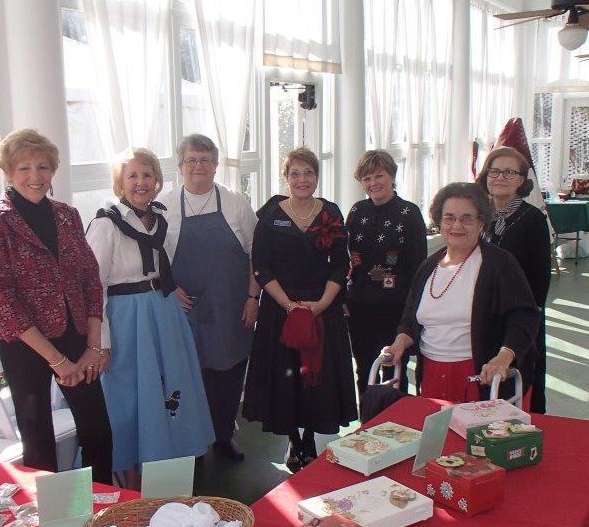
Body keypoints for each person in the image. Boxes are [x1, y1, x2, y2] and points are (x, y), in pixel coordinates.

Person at [0, 129, 113, 483]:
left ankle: (108, 512)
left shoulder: (67, 215)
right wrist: (57, 361)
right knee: (39, 446)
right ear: (8, 171)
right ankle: (48, 521)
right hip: (26, 346)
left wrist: (94, 347)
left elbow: (89, 279)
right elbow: (1, 302)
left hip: (76, 338)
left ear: (53, 171)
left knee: (98, 433)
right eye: (24, 168)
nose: (35, 177)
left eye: (44, 167)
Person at [86, 148, 214, 482]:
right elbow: (94, 285)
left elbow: (162, 266)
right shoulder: (106, 223)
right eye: (132, 176)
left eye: (147, 175)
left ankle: (164, 476)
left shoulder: (160, 219)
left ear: (156, 180)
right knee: (128, 396)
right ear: (120, 182)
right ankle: (128, 480)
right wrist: (102, 341)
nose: (141, 183)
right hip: (127, 319)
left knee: (168, 389)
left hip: (162, 312)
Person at [242, 147, 357, 470]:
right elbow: (262, 266)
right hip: (281, 310)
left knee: (316, 378)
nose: (302, 179)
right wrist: (289, 305)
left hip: (323, 309)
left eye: (308, 173)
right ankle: (293, 439)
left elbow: (341, 264)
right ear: (286, 177)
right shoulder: (270, 215)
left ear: (317, 177)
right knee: (287, 377)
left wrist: (321, 304)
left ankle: (310, 440)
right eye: (295, 173)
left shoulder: (331, 212)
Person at [383, 182, 540, 404]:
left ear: (481, 224)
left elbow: (524, 316)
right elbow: (410, 319)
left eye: (467, 218)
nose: (457, 225)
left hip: (479, 377)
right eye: (449, 218)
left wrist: (504, 357)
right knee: (437, 437)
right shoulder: (428, 267)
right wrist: (399, 343)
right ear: (440, 221)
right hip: (431, 374)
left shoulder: (499, 264)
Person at [160, 135, 259, 462]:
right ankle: (194, 442)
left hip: (231, 307)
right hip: (187, 310)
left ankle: (223, 436)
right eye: (191, 160)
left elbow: (255, 254)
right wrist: (171, 289)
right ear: (180, 166)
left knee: (229, 376)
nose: (198, 166)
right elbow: (152, 259)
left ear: (216, 165)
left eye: (205, 160)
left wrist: (251, 297)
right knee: (190, 376)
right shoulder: (166, 207)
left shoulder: (235, 204)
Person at [476, 146, 551, 414]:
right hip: (484, 314)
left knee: (518, 381)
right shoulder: (479, 217)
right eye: (494, 171)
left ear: (522, 180)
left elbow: (540, 278)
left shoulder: (532, 220)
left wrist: (527, 320)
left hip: (519, 316)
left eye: (509, 172)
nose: (500, 177)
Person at [345, 150, 427, 393]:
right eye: (367, 178)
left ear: (392, 176)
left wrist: (409, 308)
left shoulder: (410, 213)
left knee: (395, 370)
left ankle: (396, 427)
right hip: (359, 307)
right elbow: (347, 258)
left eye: (379, 176)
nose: (373, 183)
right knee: (363, 370)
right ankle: (367, 424)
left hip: (395, 307)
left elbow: (417, 267)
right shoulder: (357, 211)